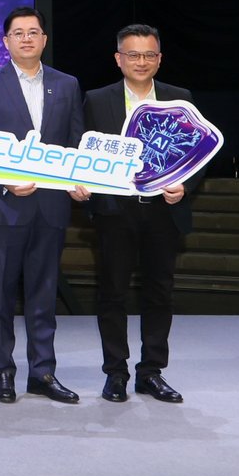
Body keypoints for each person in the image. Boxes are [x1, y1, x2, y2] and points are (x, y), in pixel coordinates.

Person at [0, 6, 83, 404]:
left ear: (44, 40)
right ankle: (2, 372)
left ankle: (43, 373)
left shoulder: (67, 85)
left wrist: (78, 181)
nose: (27, 38)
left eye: (34, 32)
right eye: (18, 33)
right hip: (3, 206)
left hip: (51, 207)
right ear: (6, 42)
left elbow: (75, 143)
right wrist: (5, 182)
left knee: (43, 293)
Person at [80, 23, 202, 405]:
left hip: (163, 213)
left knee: (159, 293)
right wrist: (81, 185)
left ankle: (151, 372)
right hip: (115, 212)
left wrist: (185, 186)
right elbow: (81, 152)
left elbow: (197, 155)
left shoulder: (179, 99)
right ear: (118, 59)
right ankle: (115, 372)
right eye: (133, 54)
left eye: (149, 54)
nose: (141, 61)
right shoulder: (96, 100)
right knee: (113, 293)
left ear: (160, 59)